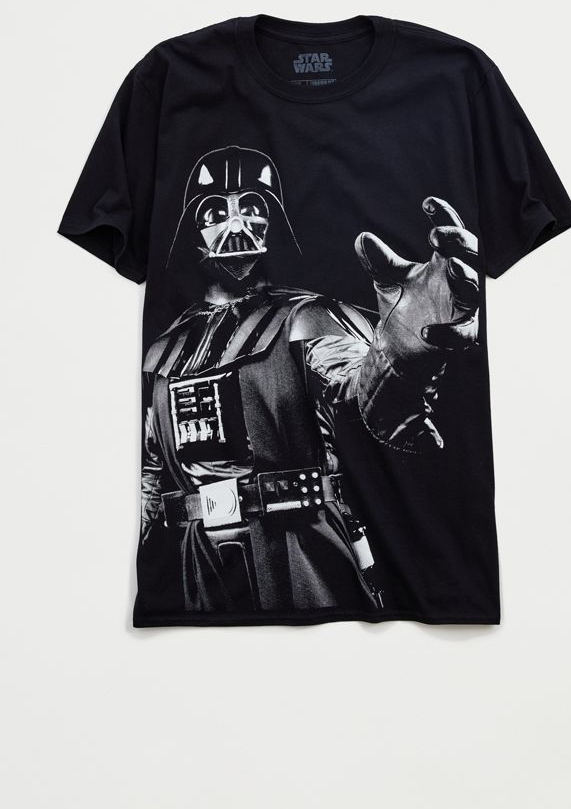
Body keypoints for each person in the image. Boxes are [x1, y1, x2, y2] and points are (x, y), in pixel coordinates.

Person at [139, 145, 479, 615]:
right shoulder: (162, 349)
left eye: (253, 208)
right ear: (191, 228)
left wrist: (403, 352)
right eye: (215, 212)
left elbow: (367, 395)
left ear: (273, 220)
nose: (236, 225)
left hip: (297, 549)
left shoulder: (305, 318)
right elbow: (150, 472)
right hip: (193, 562)